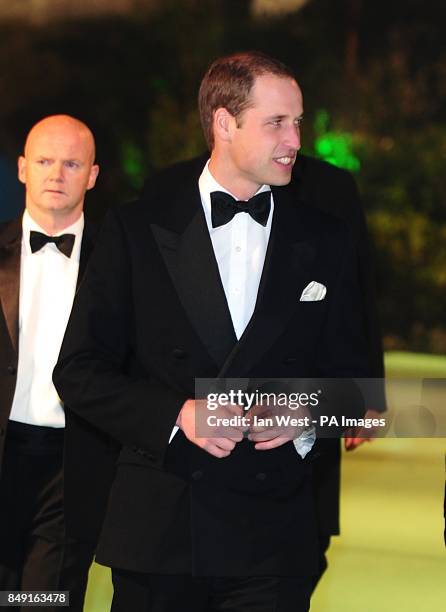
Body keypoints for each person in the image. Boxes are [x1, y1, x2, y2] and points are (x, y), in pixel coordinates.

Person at [54, 52, 370, 612]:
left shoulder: (327, 238)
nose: (294, 139)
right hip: (160, 530)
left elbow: (360, 389)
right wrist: (175, 413)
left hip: (274, 538)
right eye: (277, 122)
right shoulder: (136, 229)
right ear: (224, 123)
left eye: (298, 122)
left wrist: (306, 412)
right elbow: (79, 372)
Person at [0, 115, 100, 611]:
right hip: (3, 449)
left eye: (71, 163)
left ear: (93, 175)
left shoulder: (117, 263)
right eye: (43, 161)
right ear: (22, 168)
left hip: (71, 465)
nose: (56, 174)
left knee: (46, 602)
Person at [290, 154, 386, 588]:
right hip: (220, 398)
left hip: (316, 387)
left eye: (296, 120)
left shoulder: (332, 186)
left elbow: (358, 288)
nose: (290, 135)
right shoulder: (178, 186)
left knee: (307, 547)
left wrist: (368, 395)